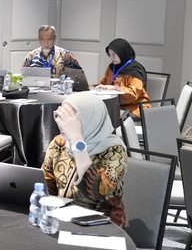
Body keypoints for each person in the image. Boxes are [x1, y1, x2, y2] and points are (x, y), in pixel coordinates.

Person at [43, 91, 128, 227]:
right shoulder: (59, 143)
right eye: (60, 116)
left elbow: (95, 195)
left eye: (71, 121)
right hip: (63, 218)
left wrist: (77, 139)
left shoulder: (114, 150)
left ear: (91, 121)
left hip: (102, 224)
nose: (62, 124)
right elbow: (46, 185)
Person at [97, 38, 150, 119]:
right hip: (117, 106)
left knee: (107, 116)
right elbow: (104, 83)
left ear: (122, 53)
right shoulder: (112, 67)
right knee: (96, 111)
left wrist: (115, 88)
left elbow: (133, 94)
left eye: (114, 54)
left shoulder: (135, 70)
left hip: (135, 108)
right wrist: (91, 87)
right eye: (109, 54)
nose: (111, 57)